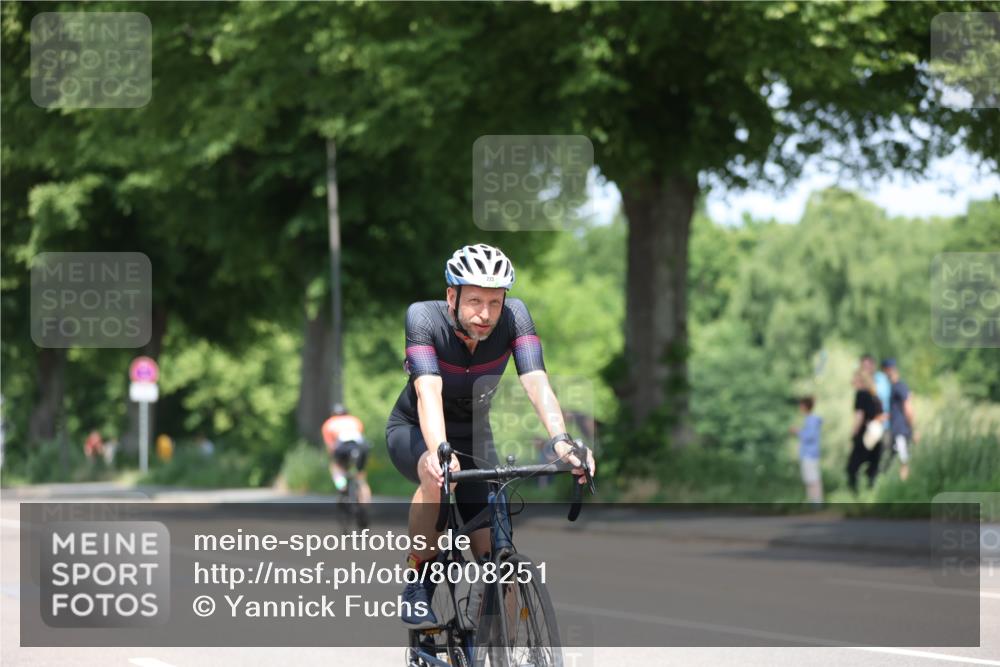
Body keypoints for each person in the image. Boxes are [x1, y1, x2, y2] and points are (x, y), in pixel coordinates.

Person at [385, 243, 595, 628]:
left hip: (475, 436)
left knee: (494, 553)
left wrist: (562, 440)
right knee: (435, 476)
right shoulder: (423, 318)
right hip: (417, 429)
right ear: (452, 295)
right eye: (475, 301)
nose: (485, 314)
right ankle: (418, 582)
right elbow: (428, 392)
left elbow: (536, 382)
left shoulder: (516, 318)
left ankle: (497, 638)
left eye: (495, 302)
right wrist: (438, 452)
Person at [321, 405, 371, 504]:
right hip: (361, 447)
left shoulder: (329, 423)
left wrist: (333, 459)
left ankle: (342, 487)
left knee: (336, 467)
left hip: (343, 447)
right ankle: (365, 504)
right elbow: (360, 435)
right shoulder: (355, 420)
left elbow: (331, 447)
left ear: (333, 414)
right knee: (360, 476)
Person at [846, 370, 884, 493]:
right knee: (872, 467)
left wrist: (853, 433)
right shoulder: (875, 396)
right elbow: (881, 416)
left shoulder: (861, 394)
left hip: (864, 434)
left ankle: (854, 495)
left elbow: (859, 416)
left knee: (852, 467)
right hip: (876, 435)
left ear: (860, 381)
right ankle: (871, 493)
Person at [883, 359, 917, 481]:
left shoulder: (899, 387)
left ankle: (905, 486)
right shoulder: (894, 387)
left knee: (904, 460)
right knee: (892, 460)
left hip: (901, 430)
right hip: (897, 430)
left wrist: (913, 430)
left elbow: (908, 409)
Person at [790, 396, 823, 504]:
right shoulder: (810, 420)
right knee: (809, 479)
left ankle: (816, 502)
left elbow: (810, 436)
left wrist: (798, 431)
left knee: (813, 479)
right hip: (809, 453)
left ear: (804, 406)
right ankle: (812, 501)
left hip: (810, 454)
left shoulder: (811, 420)